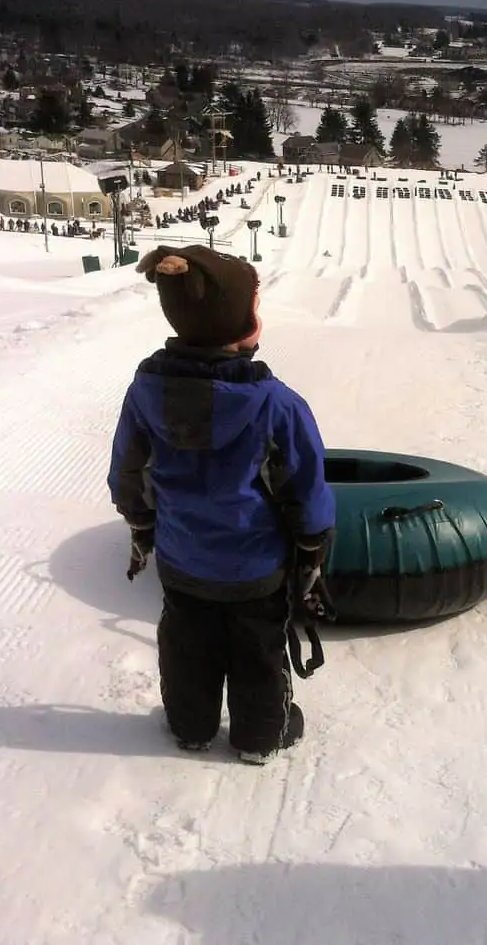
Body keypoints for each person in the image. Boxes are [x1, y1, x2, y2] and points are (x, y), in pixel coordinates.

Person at [107, 245, 336, 763]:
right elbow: (306, 484)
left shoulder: (147, 393)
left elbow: (128, 471)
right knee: (258, 651)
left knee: (187, 646)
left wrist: (143, 527)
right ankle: (260, 736)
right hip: (257, 567)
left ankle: (191, 726)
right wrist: (313, 543)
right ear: (243, 323)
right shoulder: (277, 404)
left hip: (184, 560)